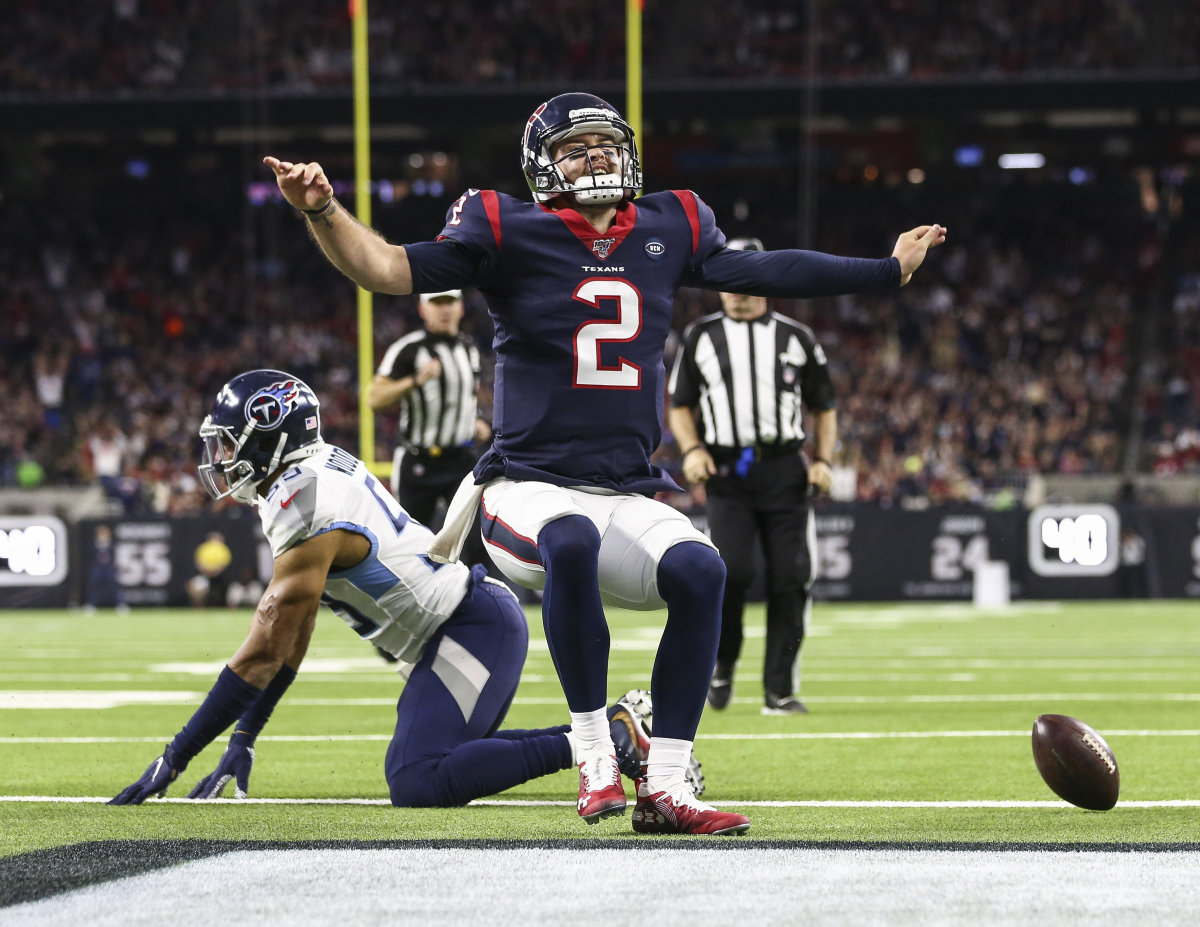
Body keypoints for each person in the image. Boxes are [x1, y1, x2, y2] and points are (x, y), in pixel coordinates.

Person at [264, 91, 945, 835]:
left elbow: (767, 271)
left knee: (704, 570)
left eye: (603, 144)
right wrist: (323, 210)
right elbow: (387, 270)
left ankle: (665, 782)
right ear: (541, 166)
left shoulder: (670, 221)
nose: (595, 158)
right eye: (575, 148)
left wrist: (886, 270)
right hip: (522, 486)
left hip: (624, 486)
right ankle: (593, 751)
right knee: (570, 539)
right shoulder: (505, 225)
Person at [109, 369, 690, 808]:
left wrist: (175, 756)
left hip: (472, 628)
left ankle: (610, 741)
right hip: (460, 630)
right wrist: (245, 734)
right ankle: (613, 732)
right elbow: (292, 634)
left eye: (233, 442)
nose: (224, 458)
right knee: (444, 761)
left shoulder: (302, 503)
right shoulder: (307, 476)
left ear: (270, 438)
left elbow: (264, 647)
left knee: (418, 778)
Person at [667, 236, 835, 716]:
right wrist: (693, 449)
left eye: (747, 276)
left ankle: (779, 691)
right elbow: (680, 405)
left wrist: (822, 459)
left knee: (792, 577)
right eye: (729, 278)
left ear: (767, 279)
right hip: (727, 467)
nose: (738, 289)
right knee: (732, 571)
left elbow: (824, 406)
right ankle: (722, 663)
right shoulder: (700, 336)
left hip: (784, 466)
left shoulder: (797, 337)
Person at [368, 288, 492, 575]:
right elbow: (375, 398)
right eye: (437, 303)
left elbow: (462, 398)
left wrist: (471, 423)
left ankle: (473, 606)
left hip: (460, 458)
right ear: (423, 309)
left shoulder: (468, 348)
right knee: (410, 542)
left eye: (450, 302)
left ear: (461, 307)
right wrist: (415, 379)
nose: (444, 309)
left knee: (473, 541)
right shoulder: (409, 349)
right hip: (418, 460)